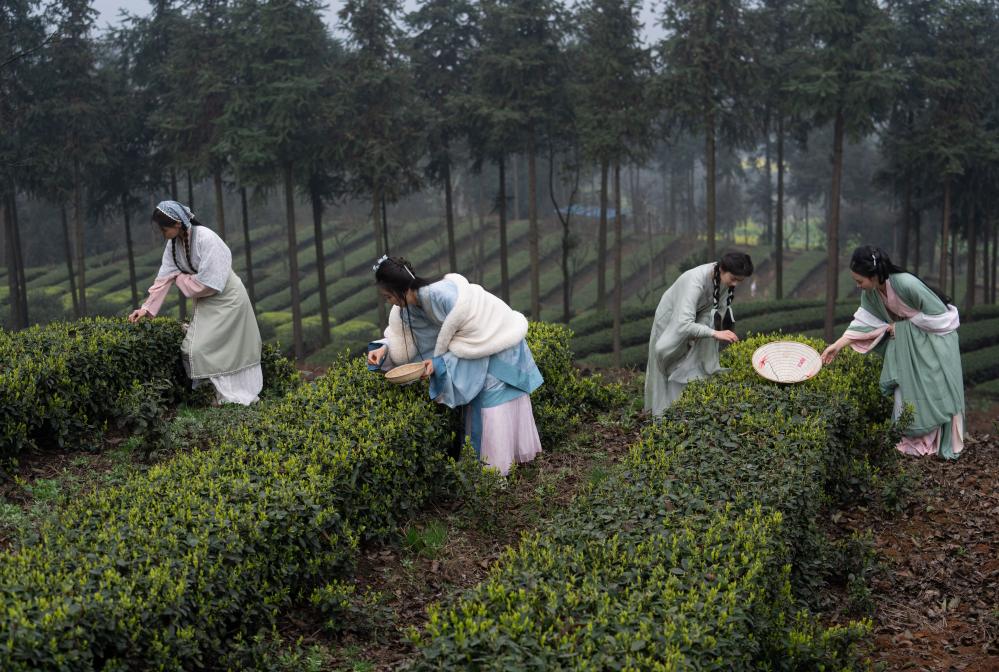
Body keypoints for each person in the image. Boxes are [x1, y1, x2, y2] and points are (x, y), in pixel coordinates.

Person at [366, 255, 543, 475]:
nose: (388, 301)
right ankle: (486, 472)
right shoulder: (410, 307)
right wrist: (384, 349)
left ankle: (493, 474)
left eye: (387, 296)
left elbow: (475, 333)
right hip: (477, 349)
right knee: (478, 408)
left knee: (489, 405)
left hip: (494, 343)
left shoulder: (441, 295)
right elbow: (412, 340)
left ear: (398, 289)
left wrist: (439, 364)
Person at [820, 245, 964, 459]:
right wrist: (838, 345)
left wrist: (904, 327)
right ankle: (907, 440)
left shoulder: (906, 283)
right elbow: (864, 321)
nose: (858, 286)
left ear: (875, 275)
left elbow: (942, 319)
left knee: (933, 388)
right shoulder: (872, 293)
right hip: (908, 346)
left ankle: (935, 441)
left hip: (934, 342)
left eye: (860, 281)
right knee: (902, 388)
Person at [128, 200, 262, 405]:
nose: (162, 232)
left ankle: (233, 395)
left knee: (213, 349)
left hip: (229, 299)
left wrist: (180, 278)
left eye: (164, 228)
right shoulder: (173, 245)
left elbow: (210, 284)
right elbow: (164, 278)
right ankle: (214, 396)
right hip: (207, 303)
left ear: (177, 224)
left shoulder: (207, 238)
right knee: (194, 349)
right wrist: (145, 308)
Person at [644, 251, 754, 416]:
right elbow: (682, 323)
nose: (735, 284)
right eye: (734, 279)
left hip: (692, 321)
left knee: (688, 362)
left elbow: (710, 310)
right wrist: (713, 333)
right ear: (722, 269)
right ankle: (660, 417)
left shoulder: (723, 280)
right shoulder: (694, 281)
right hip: (671, 321)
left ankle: (681, 410)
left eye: (740, 281)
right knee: (665, 364)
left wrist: (702, 330)